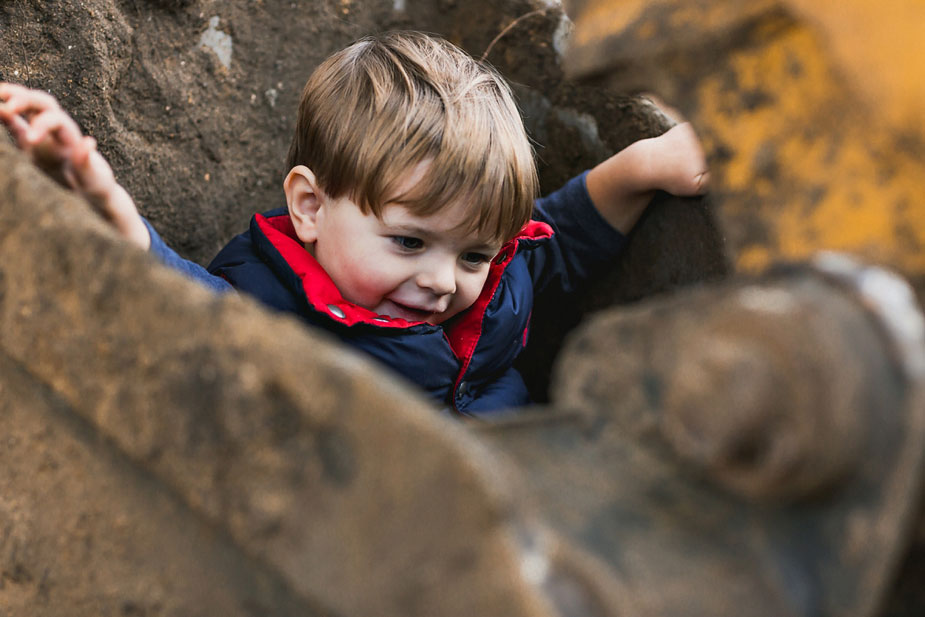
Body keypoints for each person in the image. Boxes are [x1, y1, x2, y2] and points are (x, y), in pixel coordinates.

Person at [0, 31, 708, 415]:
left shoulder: (486, 274)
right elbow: (183, 301)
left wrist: (641, 167)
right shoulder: (273, 304)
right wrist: (104, 205)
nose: (441, 281)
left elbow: (552, 251)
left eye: (473, 253)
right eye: (408, 241)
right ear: (309, 206)